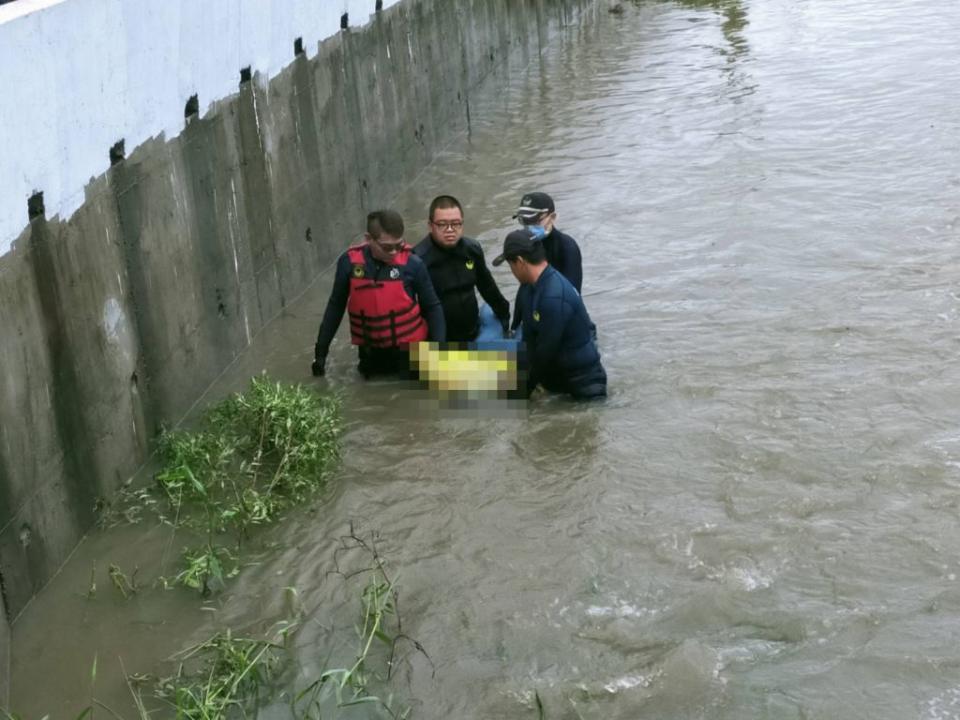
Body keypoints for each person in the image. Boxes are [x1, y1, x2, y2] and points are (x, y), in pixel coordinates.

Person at [312, 210, 445, 378]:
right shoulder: (348, 264)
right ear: (369, 239)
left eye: (399, 245)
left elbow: (432, 307)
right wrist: (320, 354)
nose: (394, 252)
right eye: (387, 247)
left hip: (411, 356)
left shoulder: (413, 264)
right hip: (370, 357)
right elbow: (335, 308)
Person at [493, 228, 606, 400]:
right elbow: (529, 341)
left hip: (583, 388)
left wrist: (522, 392)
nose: (512, 271)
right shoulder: (530, 287)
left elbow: (545, 353)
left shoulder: (553, 295)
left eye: (510, 265)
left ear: (520, 261)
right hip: (557, 379)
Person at [413, 195, 511, 342]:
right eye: (442, 224)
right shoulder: (418, 259)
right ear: (430, 225)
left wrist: (504, 315)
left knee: (515, 358)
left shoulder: (472, 249)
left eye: (456, 223)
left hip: (472, 333)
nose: (450, 230)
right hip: (439, 340)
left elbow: (487, 287)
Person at [513, 191, 582, 293]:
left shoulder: (567, 247)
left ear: (552, 217)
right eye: (524, 221)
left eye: (535, 220)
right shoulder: (524, 246)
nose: (529, 227)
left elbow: (572, 293)